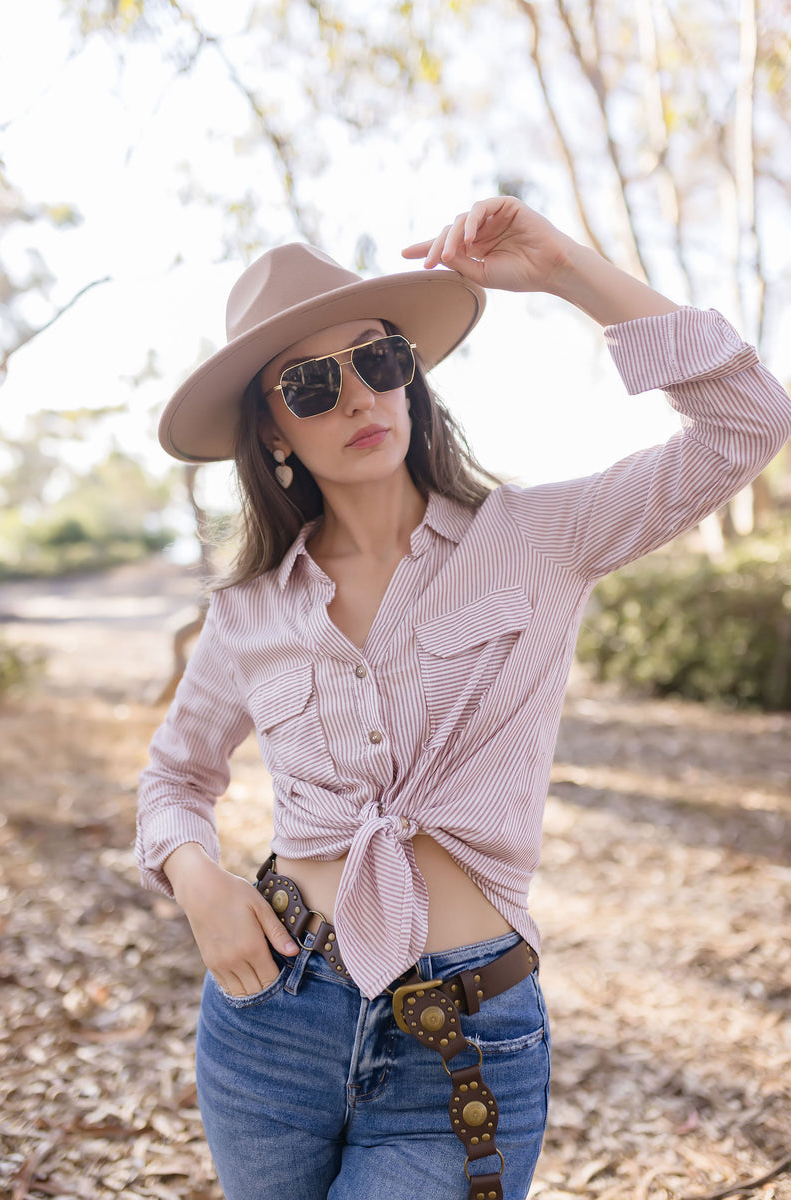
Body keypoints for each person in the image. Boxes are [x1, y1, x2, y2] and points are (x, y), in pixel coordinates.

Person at [136, 197, 791, 1200]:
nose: (358, 398)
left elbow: (747, 422)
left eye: (377, 360)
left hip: (464, 1043)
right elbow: (175, 778)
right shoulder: (249, 610)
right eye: (310, 383)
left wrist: (566, 269)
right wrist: (198, 884)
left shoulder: (538, 539)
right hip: (270, 1018)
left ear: (411, 377)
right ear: (271, 429)